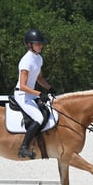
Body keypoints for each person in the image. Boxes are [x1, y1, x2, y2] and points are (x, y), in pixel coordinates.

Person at [14, 29, 56, 159]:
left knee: (47, 110)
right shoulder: (26, 61)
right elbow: (22, 86)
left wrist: (49, 88)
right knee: (38, 117)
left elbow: (39, 78)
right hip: (22, 95)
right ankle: (24, 148)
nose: (40, 46)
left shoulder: (38, 58)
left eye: (41, 44)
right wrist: (39, 93)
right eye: (38, 44)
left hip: (31, 95)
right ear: (30, 45)